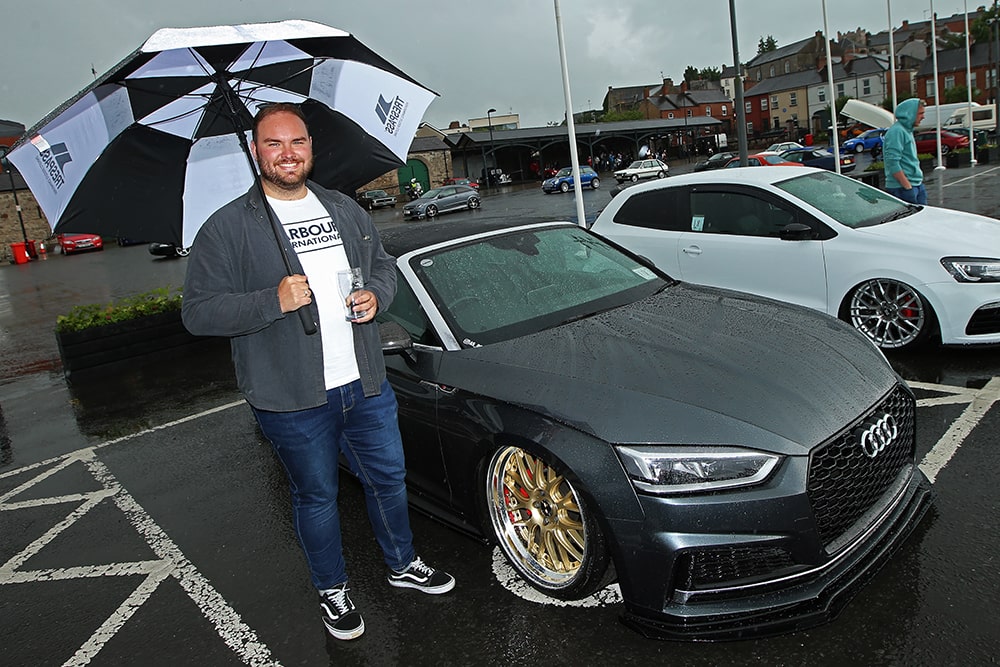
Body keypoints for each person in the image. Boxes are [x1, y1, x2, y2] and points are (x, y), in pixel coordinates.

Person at [181, 103, 454, 642]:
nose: (288, 154)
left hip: (365, 382)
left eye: (297, 142)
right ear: (256, 151)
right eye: (274, 144)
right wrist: (271, 300)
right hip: (292, 397)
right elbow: (198, 312)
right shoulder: (227, 228)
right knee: (317, 497)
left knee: (388, 480)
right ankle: (333, 590)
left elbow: (381, 267)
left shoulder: (343, 209)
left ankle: (402, 565)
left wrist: (375, 295)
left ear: (311, 147)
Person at [882, 98, 927, 205]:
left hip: (915, 185)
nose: (923, 117)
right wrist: (907, 187)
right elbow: (892, 162)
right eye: (920, 113)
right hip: (901, 188)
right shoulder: (897, 131)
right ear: (909, 114)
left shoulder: (907, 130)